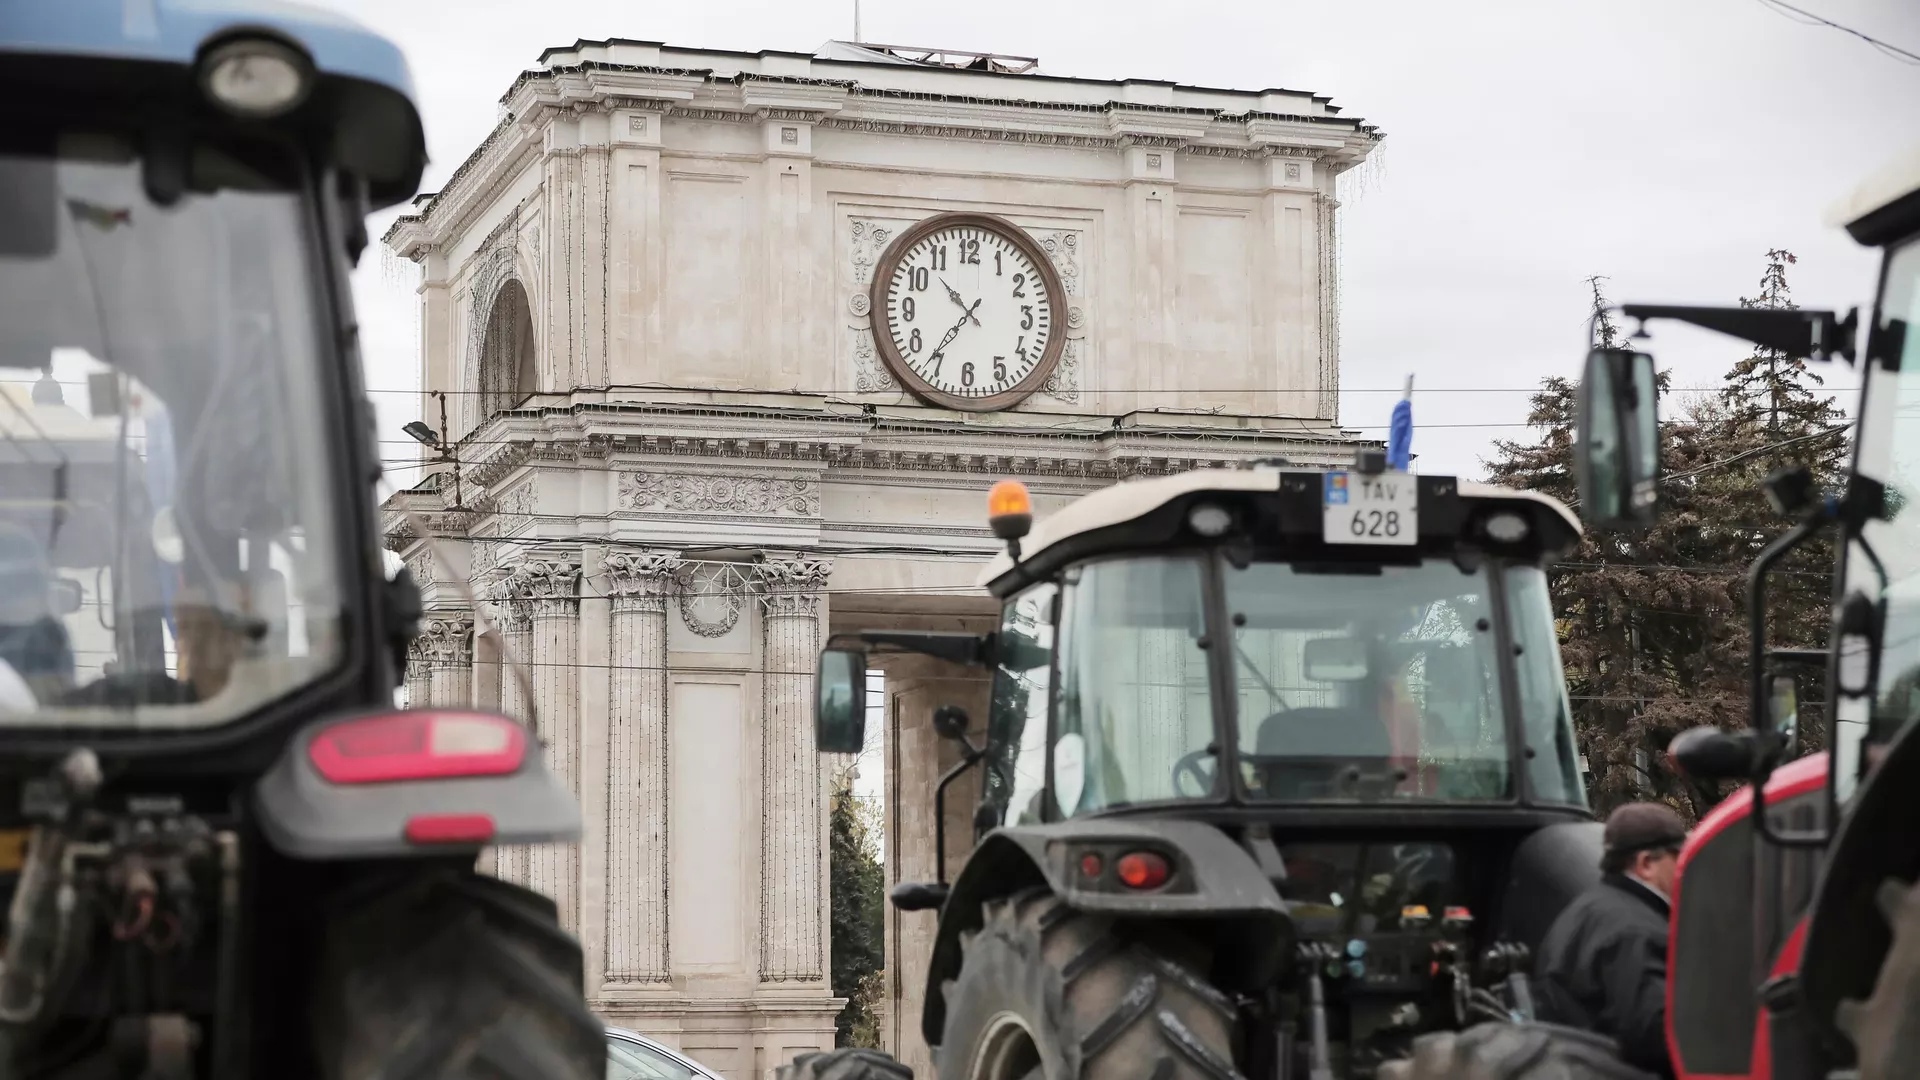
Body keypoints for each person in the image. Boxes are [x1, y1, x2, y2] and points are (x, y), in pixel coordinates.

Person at [1534, 801, 1686, 1079]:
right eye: (1678, 857)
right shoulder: (1636, 931)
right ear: (1646, 864)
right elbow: (1654, 1035)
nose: (1685, 868)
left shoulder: (1588, 909)